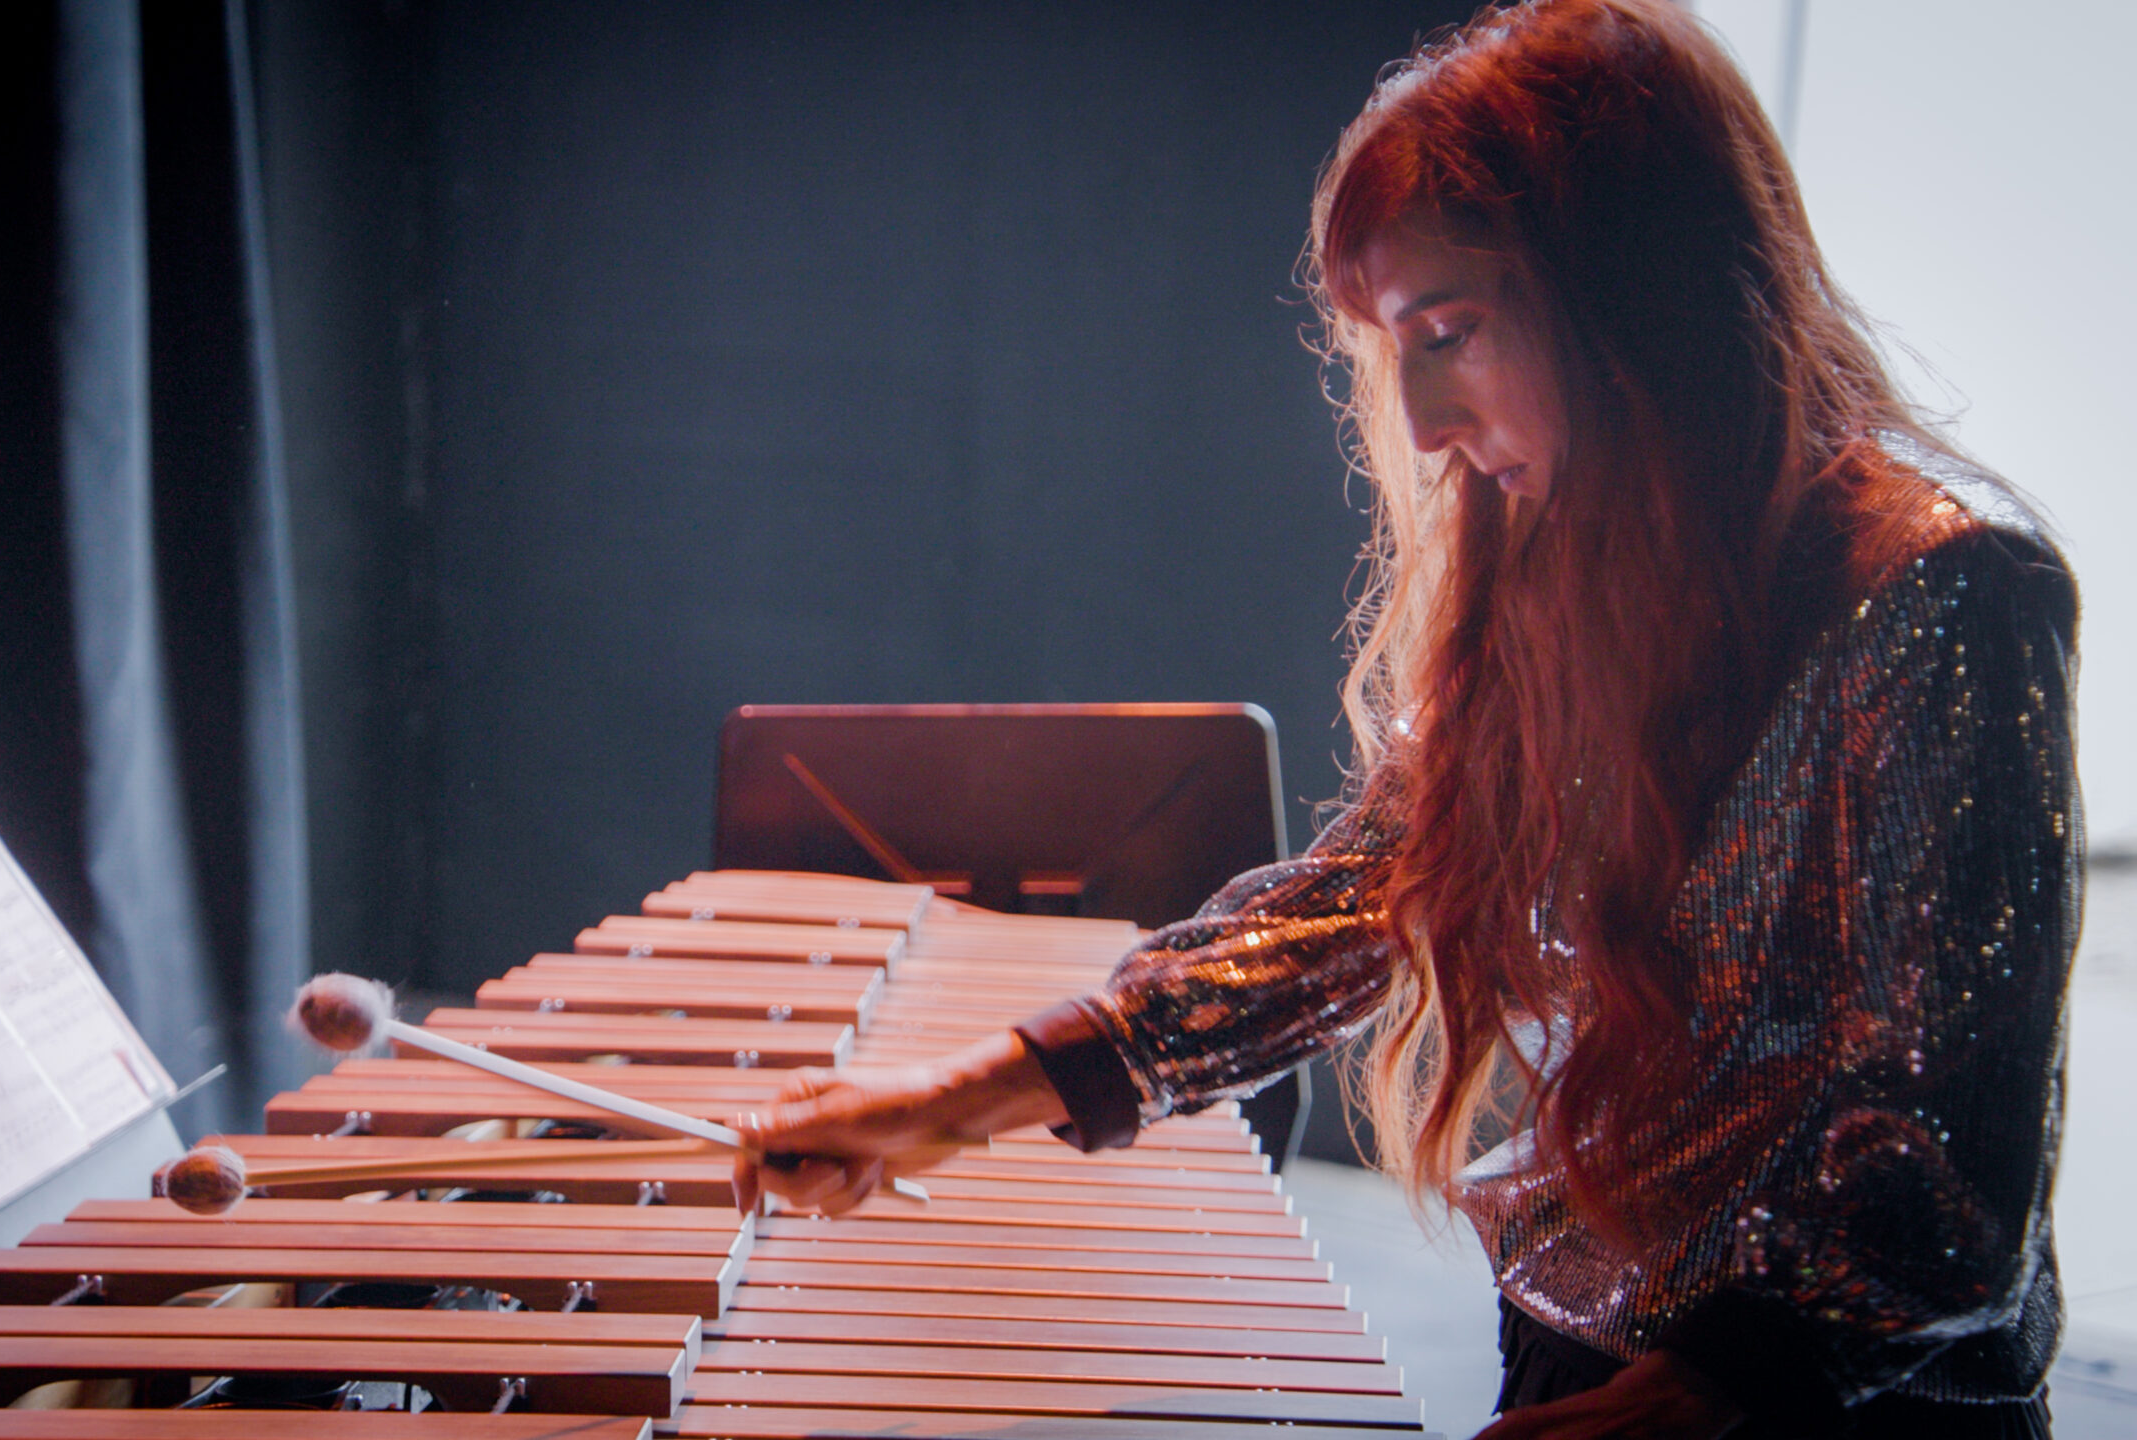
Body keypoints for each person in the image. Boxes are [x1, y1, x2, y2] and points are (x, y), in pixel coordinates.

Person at [735, 2, 2079, 1436]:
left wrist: (1705, 1396)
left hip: (1824, 1404)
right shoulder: (1567, 569)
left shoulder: (1945, 591)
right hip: (1587, 1349)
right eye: (1400, 348)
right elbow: (1349, 907)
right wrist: (940, 1105)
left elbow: (1952, 1158)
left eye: (1453, 332)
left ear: (1634, 295)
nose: (1427, 425)